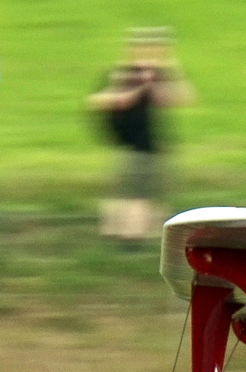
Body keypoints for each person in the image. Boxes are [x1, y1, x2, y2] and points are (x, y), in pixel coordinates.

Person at [88, 28, 194, 241]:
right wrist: (139, 88)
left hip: (151, 146)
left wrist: (170, 72)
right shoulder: (123, 75)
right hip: (132, 147)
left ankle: (141, 238)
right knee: (134, 196)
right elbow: (102, 101)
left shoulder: (158, 77)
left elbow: (183, 97)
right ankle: (129, 240)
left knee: (147, 196)